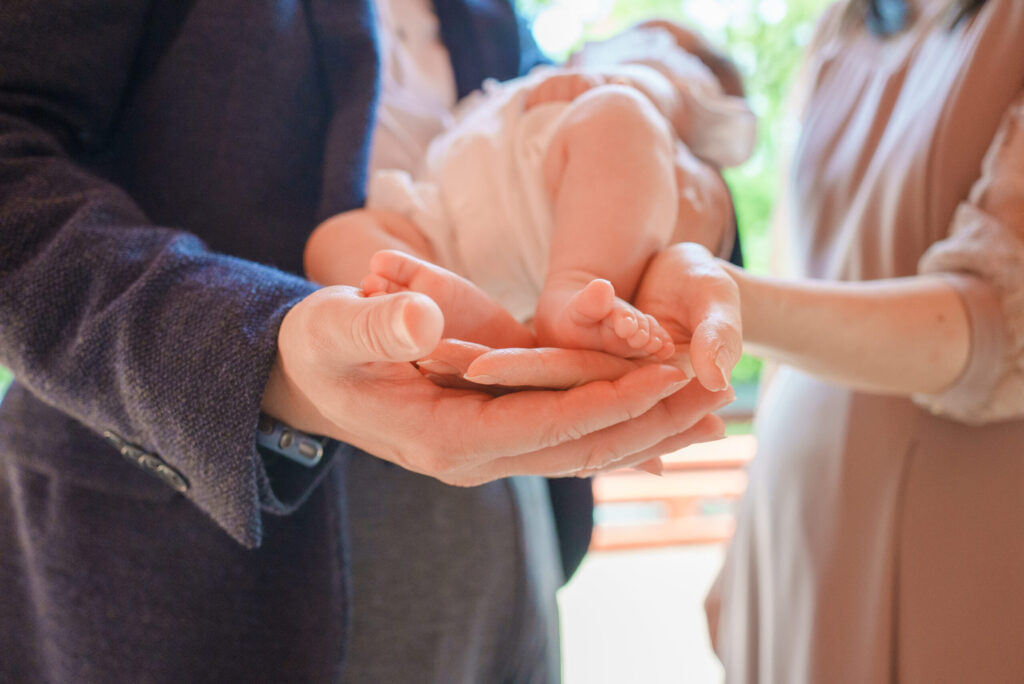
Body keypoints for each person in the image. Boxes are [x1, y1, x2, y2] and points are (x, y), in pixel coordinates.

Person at [0, 0, 741, 681]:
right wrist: (274, 355)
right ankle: (428, 321)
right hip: (196, 557)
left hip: (504, 515)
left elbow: (589, 172)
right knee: (353, 247)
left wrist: (699, 224)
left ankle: (491, 328)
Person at [626, 0, 1024, 681]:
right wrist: (746, 529)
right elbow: (800, 268)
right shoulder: (844, 22)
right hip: (791, 524)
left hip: (950, 542)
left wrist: (718, 296)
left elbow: (992, 321)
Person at [303, 32, 753, 364]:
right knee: (334, 241)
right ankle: (474, 323)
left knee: (623, 115)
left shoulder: (649, 89)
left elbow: (727, 130)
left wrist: (636, 81)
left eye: (662, 45)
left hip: (563, 210)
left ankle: (577, 284)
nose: (643, 39)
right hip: (433, 222)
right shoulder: (531, 76)